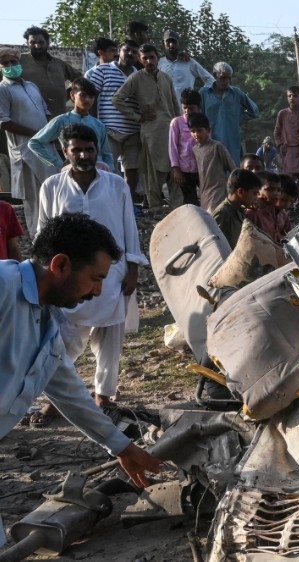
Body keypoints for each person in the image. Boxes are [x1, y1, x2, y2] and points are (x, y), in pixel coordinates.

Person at [0, 212, 161, 488]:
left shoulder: (47, 322)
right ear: (60, 265)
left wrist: (122, 446)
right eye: (95, 278)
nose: (97, 292)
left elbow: (69, 391)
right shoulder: (3, 285)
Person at [36, 123, 146, 416]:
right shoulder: (52, 187)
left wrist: (133, 268)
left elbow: (129, 229)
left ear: (97, 149)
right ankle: (56, 398)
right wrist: (44, 274)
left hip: (111, 276)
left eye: (89, 149)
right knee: (61, 341)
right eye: (77, 150)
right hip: (67, 278)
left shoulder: (116, 185)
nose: (83, 155)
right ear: (65, 151)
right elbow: (43, 233)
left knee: (110, 339)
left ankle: (104, 397)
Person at [112, 43, 182, 208]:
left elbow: (174, 104)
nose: (149, 61)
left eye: (152, 57)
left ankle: (178, 208)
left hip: (171, 130)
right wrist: (137, 117)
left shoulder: (166, 78)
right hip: (151, 131)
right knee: (153, 173)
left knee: (175, 170)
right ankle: (156, 210)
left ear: (157, 58)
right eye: (145, 58)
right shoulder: (136, 78)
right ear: (139, 60)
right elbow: (117, 99)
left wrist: (180, 128)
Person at [1, 47, 53, 237]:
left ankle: (54, 235)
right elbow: (4, 122)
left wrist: (49, 134)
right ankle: (37, 239)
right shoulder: (3, 90)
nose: (10, 66)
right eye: (5, 64)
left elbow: (46, 112)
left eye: (13, 62)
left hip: (45, 148)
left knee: (51, 191)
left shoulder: (31, 86)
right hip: (25, 151)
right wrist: (35, 134)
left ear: (19, 63)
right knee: (33, 199)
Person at [87, 40, 142, 203]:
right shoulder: (102, 70)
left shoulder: (139, 74)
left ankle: (127, 203)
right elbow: (92, 97)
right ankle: (105, 202)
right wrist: (93, 123)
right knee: (106, 169)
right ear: (119, 50)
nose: (130, 54)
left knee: (132, 170)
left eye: (134, 52)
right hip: (109, 130)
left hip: (134, 131)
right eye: (127, 50)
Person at [29, 77, 115, 171]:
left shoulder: (99, 125)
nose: (87, 100)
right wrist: (58, 163)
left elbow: (107, 155)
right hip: (74, 171)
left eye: (91, 97)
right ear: (73, 95)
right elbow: (34, 143)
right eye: (83, 95)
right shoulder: (62, 121)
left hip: (98, 172)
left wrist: (110, 173)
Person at [199, 62, 259, 164]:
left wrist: (237, 119)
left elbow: (254, 111)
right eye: (223, 78)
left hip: (231, 142)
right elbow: (198, 117)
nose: (226, 81)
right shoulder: (204, 93)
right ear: (215, 75)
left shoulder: (236, 93)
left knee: (232, 174)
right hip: (210, 141)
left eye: (229, 78)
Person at [19, 26, 83, 119]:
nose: (37, 46)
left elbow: (79, 79)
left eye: (41, 42)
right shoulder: (19, 61)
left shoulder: (59, 64)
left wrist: (67, 94)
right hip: (29, 117)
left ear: (48, 43)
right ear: (27, 44)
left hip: (57, 115)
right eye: (33, 43)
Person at [189, 112, 236, 212]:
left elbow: (233, 169)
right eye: (193, 131)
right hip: (204, 192)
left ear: (208, 130)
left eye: (199, 130)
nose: (196, 134)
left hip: (218, 191)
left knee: (215, 215)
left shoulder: (217, 146)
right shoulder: (195, 149)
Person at [274, 86, 299, 208]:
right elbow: (277, 132)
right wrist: (280, 145)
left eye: (295, 96)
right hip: (288, 151)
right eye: (289, 96)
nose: (291, 98)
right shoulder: (282, 114)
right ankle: (286, 204)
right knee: (287, 180)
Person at [158, 30, 214, 104]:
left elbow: (210, 80)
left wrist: (198, 96)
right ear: (163, 44)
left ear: (179, 44)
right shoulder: (159, 63)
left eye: (174, 42)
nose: (171, 45)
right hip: (166, 109)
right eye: (168, 42)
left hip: (186, 109)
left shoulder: (189, 62)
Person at [168, 88, 203, 206]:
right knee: (190, 201)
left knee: (207, 198)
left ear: (199, 108)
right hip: (184, 170)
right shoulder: (176, 123)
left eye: (191, 108)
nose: (187, 111)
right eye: (185, 108)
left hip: (201, 169)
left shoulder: (204, 122)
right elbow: (173, 147)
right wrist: (176, 169)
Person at [213, 169, 261, 249]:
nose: (256, 198)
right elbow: (215, 245)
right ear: (240, 192)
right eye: (254, 193)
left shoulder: (240, 211)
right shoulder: (223, 213)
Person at [246, 171, 292, 243]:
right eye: (270, 189)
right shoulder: (253, 213)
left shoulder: (279, 212)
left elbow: (288, 235)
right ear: (258, 191)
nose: (276, 193)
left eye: (278, 190)